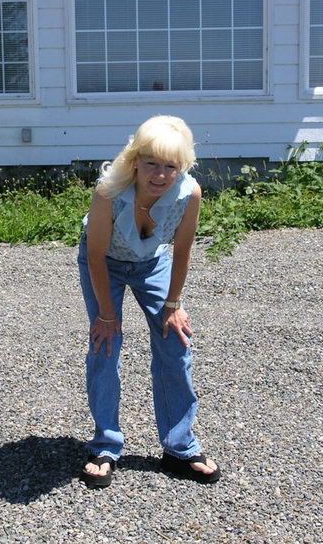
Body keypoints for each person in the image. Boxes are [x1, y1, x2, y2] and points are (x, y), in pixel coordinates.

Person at [78, 115, 220, 488]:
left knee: (176, 341)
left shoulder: (189, 193)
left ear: (182, 166)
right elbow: (95, 255)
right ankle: (105, 446)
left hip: (152, 263)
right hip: (105, 264)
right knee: (106, 345)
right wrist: (107, 315)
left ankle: (180, 447)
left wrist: (174, 304)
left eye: (171, 166)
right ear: (135, 160)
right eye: (152, 163)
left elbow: (183, 251)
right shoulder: (109, 191)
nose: (160, 174)